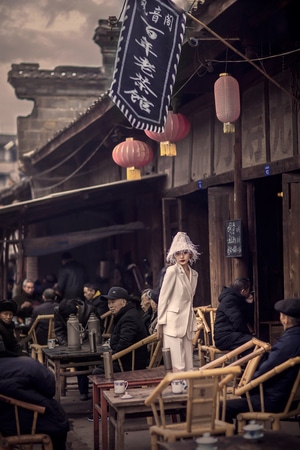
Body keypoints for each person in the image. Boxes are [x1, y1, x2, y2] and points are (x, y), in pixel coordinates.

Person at [225, 297, 300, 424]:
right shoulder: (293, 339)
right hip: (292, 399)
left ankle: (231, 441)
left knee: (222, 407)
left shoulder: (287, 344)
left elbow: (266, 372)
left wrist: (246, 389)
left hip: (274, 400)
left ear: (285, 320)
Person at [0, 355, 69, 450]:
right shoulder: (27, 365)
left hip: (5, 424)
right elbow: (50, 389)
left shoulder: (17, 366)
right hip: (28, 422)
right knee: (59, 426)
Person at [157, 231, 200, 372]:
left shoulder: (194, 274)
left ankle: (189, 391)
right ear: (173, 256)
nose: (182, 256)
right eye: (178, 253)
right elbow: (163, 298)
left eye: (185, 252)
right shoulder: (172, 271)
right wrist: (160, 323)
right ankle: (179, 390)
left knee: (189, 363)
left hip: (187, 321)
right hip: (172, 322)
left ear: (191, 254)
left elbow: (189, 300)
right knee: (177, 363)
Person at [93, 286, 149, 374]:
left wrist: (112, 356)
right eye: (109, 303)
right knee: (95, 364)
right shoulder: (125, 314)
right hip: (124, 359)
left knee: (97, 371)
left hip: (130, 363)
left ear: (123, 302)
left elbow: (124, 343)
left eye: (113, 302)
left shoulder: (129, 318)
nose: (110, 306)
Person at [54, 297, 95, 401]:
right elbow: (59, 331)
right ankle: (83, 392)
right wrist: (67, 345)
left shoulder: (89, 310)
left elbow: (99, 329)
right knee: (78, 357)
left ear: (77, 308)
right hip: (68, 344)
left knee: (85, 358)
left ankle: (90, 392)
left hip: (88, 342)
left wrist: (85, 337)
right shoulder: (58, 311)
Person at [214, 277, 254, 351]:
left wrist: (249, 303)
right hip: (224, 338)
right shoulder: (229, 300)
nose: (250, 292)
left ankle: (248, 362)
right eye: (249, 290)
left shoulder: (237, 298)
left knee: (253, 343)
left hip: (232, 335)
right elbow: (238, 321)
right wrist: (248, 334)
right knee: (254, 343)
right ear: (243, 291)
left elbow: (246, 317)